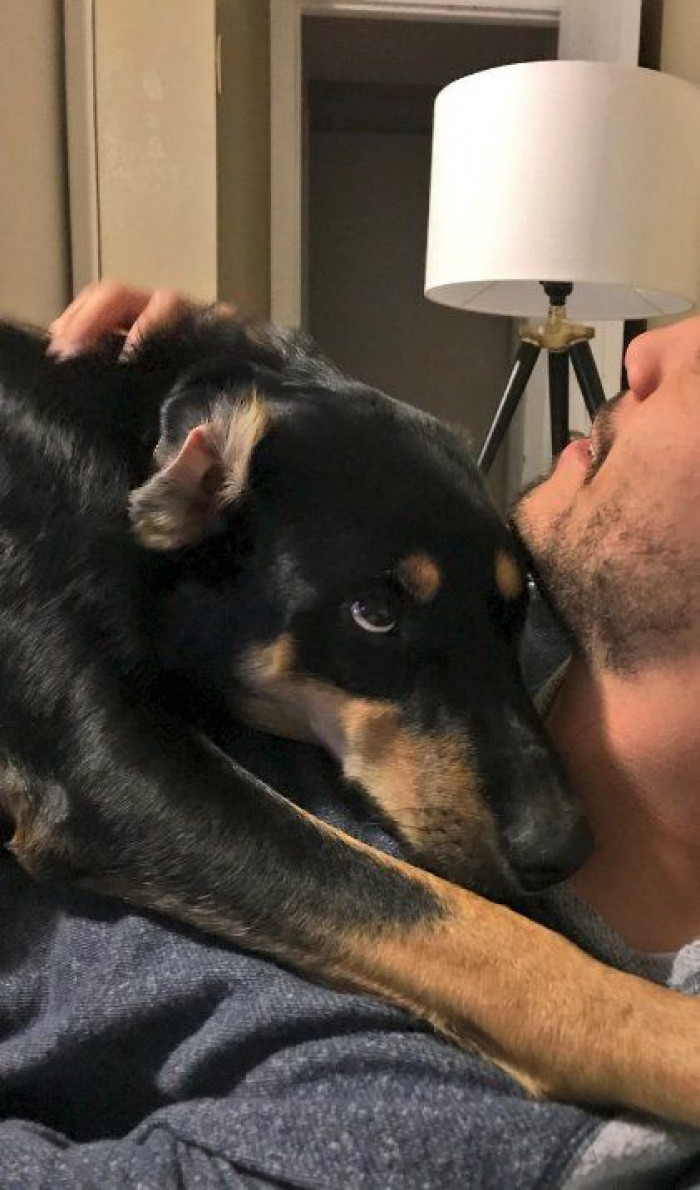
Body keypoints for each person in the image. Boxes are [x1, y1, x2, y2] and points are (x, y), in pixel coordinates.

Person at [0, 281, 697, 1188]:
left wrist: (606, 1024)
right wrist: (195, 382)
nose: (643, 350)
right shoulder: (538, 598)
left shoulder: (412, 1115)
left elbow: (93, 787)